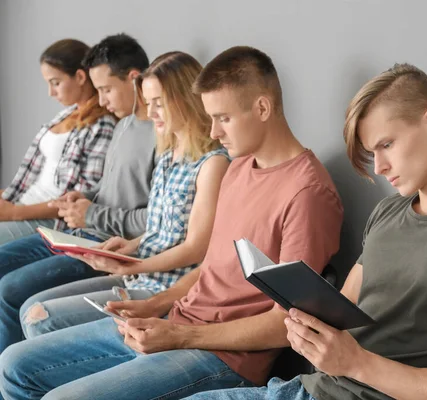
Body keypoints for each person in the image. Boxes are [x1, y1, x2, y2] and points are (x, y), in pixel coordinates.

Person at [0, 45, 344, 400]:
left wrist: (179, 336)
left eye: (223, 118)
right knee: (13, 364)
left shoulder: (308, 193)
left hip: (222, 358)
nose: (214, 132)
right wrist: (154, 305)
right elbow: (212, 266)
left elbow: (282, 324)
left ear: (261, 108)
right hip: (177, 324)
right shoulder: (241, 166)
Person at [186, 63, 427, 400]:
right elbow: (342, 307)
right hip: (311, 388)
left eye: (387, 145)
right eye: (373, 152)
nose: (380, 167)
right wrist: (303, 323)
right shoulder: (388, 212)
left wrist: (355, 363)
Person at [20, 51, 229, 338]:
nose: (151, 112)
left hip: (164, 289)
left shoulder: (213, 163)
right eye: (148, 102)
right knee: (31, 308)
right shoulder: (169, 155)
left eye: (159, 103)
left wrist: (133, 263)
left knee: (39, 319)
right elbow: (163, 228)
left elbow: (196, 247)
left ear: (187, 99)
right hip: (141, 276)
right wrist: (130, 246)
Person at [0, 33, 154, 354]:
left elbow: (157, 218)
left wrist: (91, 213)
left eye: (106, 89)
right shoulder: (125, 125)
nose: (99, 100)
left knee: (10, 289)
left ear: (134, 79)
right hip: (81, 234)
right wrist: (83, 196)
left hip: (106, 247)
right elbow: (110, 189)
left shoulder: (157, 134)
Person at [0, 38, 116, 245]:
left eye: (55, 83)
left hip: (46, 219)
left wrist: (15, 213)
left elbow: (81, 198)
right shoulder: (65, 115)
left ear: (80, 76)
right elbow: (38, 177)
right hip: (22, 203)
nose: (50, 92)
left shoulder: (102, 126)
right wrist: (8, 198)